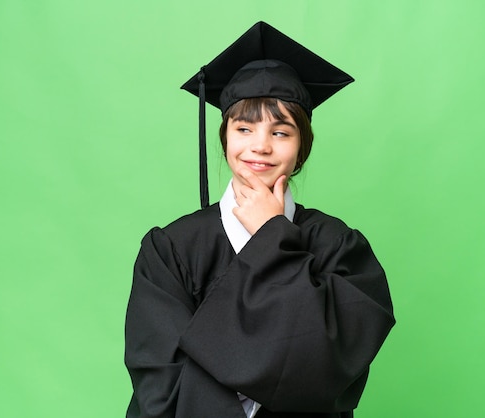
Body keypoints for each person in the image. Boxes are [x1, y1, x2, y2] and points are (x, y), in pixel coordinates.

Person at [124, 21, 395, 418]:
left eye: (282, 132)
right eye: (244, 128)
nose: (261, 146)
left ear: (302, 146)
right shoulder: (171, 249)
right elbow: (159, 385)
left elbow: (327, 372)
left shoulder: (338, 246)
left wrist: (272, 236)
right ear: (225, 139)